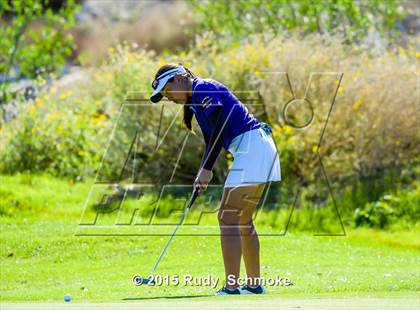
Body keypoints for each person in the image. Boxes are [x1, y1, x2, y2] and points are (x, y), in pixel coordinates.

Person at [150, 63, 281, 295]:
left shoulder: (203, 88)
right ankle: (253, 286)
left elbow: (220, 129)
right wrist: (203, 171)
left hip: (253, 147)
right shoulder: (196, 100)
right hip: (257, 148)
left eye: (167, 91)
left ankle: (232, 287)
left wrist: (207, 169)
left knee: (227, 217)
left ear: (179, 78)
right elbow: (211, 139)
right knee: (241, 220)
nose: (168, 97)